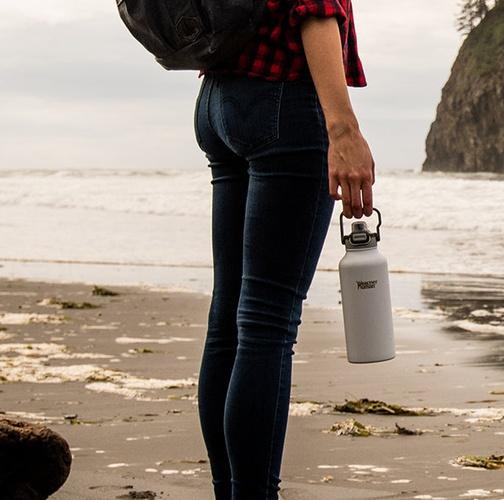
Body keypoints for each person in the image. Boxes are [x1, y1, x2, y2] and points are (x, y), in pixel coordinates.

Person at [192, 0, 373, 498]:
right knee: (266, 322)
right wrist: (343, 129)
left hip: (217, 100)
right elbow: (315, 9)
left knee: (229, 316)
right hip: (283, 103)